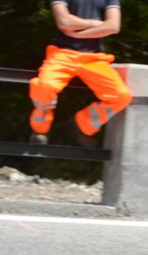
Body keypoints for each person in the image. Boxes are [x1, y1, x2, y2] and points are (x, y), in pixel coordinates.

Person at [29, 0, 132, 148]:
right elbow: (64, 22)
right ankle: (40, 129)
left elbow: (113, 27)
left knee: (121, 96)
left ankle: (83, 125)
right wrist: (97, 24)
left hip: (95, 59)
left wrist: (78, 34)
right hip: (62, 54)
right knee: (44, 86)